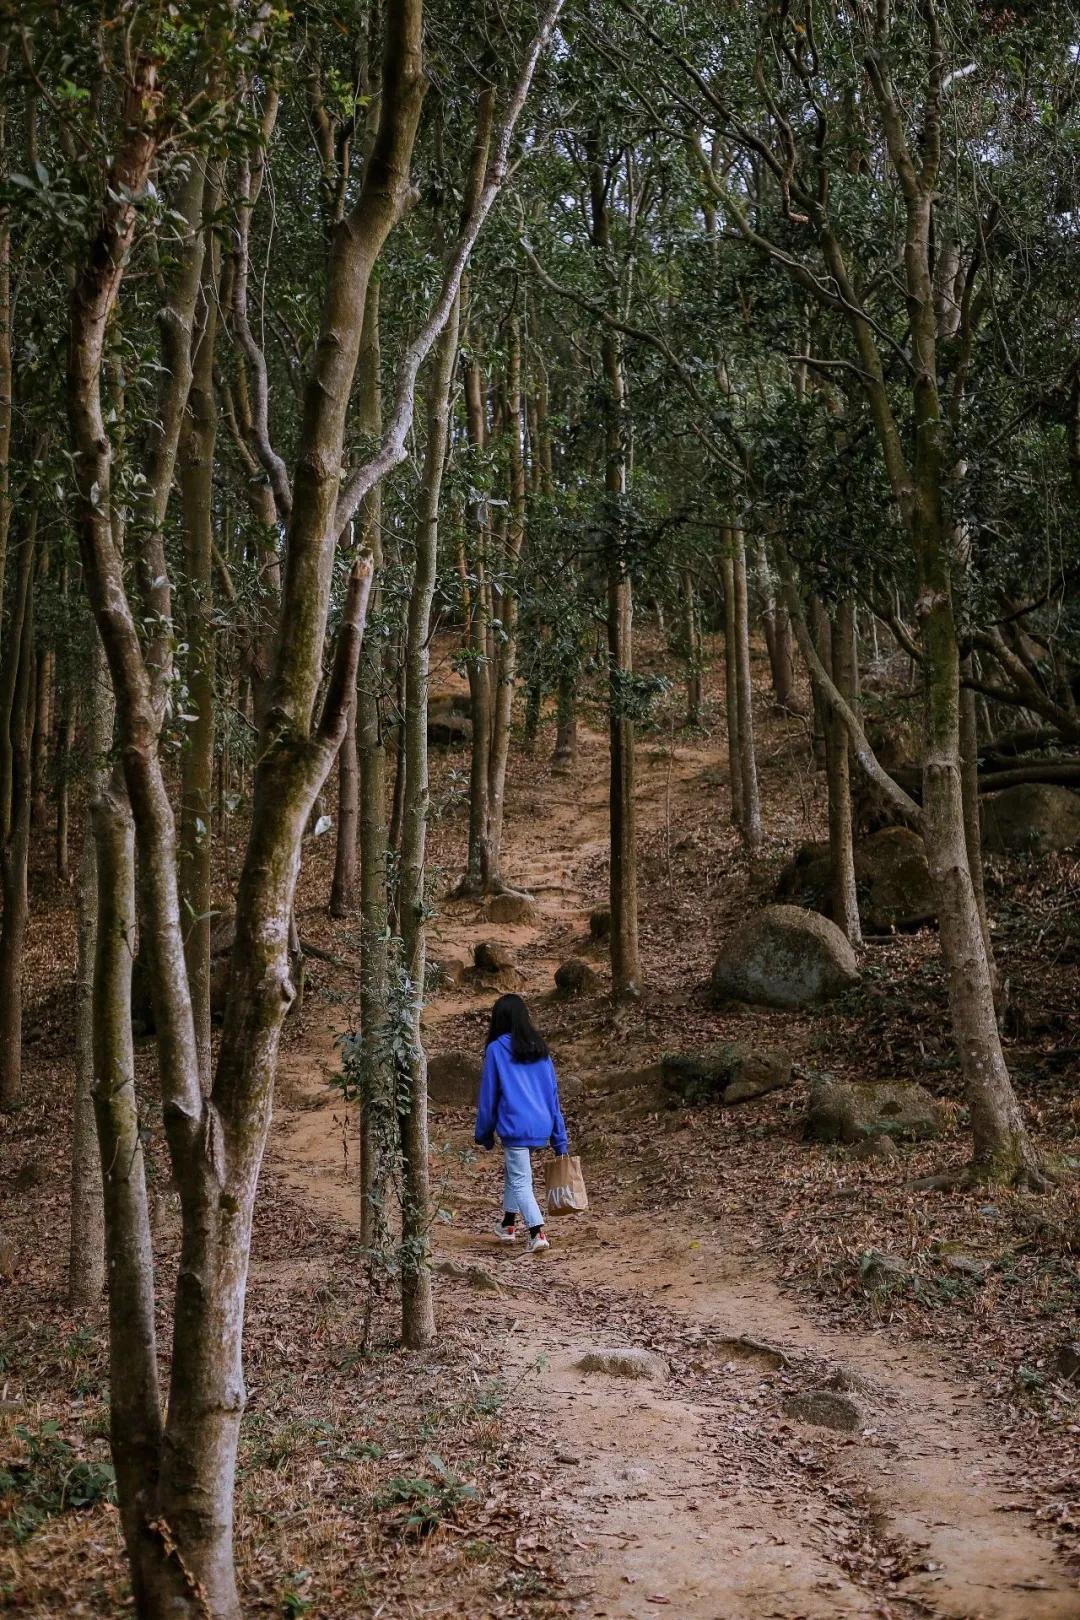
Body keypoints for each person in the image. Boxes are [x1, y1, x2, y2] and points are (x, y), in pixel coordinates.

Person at [475, 993, 569, 1254]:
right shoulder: (540, 1050)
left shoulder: (496, 1050)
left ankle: (536, 1231)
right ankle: (507, 1224)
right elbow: (553, 1096)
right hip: (541, 1124)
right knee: (514, 1172)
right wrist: (559, 1139)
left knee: (520, 1180)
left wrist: (484, 1132)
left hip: (516, 1125)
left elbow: (489, 1095)